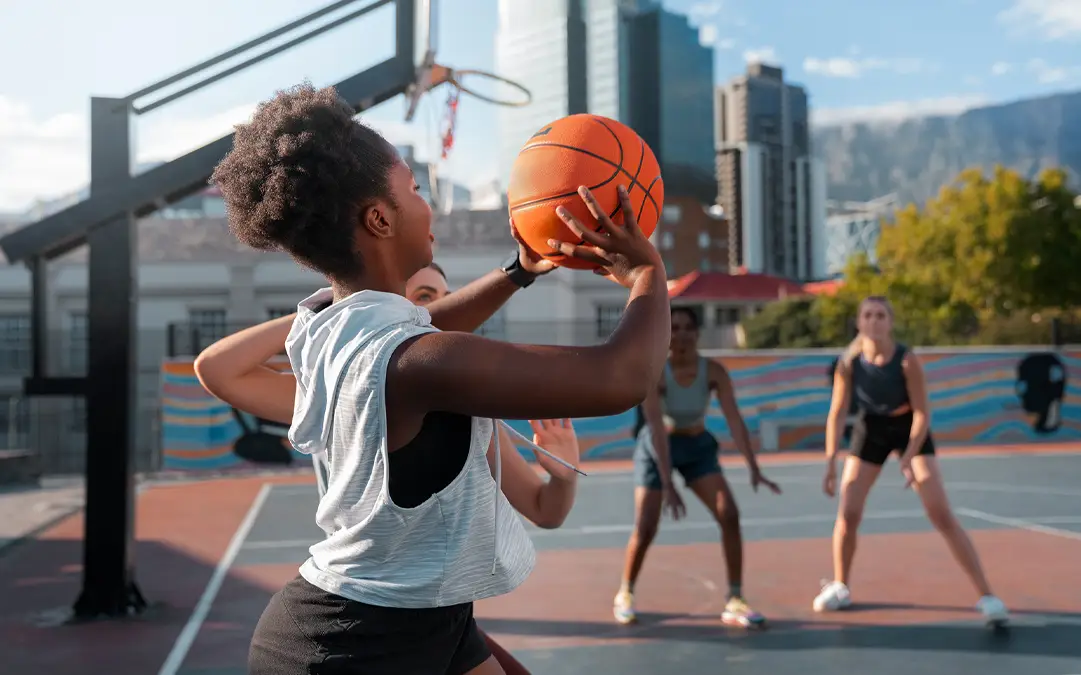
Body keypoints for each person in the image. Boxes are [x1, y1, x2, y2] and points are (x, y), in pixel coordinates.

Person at [208, 82, 672, 675]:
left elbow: (421, 322)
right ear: (379, 217)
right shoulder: (416, 362)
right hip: (355, 648)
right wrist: (647, 274)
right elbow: (621, 378)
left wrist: (520, 270)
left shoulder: (328, 332)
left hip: (415, 616)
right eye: (416, 190)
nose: (429, 206)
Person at [196, 260, 563, 675]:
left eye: (446, 299)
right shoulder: (340, 395)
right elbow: (217, 368)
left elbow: (546, 509)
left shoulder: (470, 411)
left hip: (436, 611)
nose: (438, 313)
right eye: (423, 299)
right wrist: (334, 313)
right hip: (357, 623)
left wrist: (562, 473)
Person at [814, 295, 1009, 626]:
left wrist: (908, 456)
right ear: (859, 323)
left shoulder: (906, 361)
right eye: (867, 316)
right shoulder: (847, 363)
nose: (874, 321)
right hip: (871, 428)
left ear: (890, 322)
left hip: (909, 429)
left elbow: (922, 414)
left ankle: (988, 596)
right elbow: (836, 413)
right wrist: (831, 461)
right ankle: (840, 585)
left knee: (940, 513)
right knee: (848, 512)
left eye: (880, 315)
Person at [614, 307, 781, 628]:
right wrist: (668, 483)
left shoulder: (714, 371)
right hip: (657, 448)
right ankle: (625, 592)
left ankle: (735, 598)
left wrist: (754, 467)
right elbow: (656, 429)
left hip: (697, 447)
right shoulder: (656, 372)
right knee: (647, 525)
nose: (681, 334)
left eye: (688, 327)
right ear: (665, 334)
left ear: (697, 333)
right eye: (674, 328)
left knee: (729, 514)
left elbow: (734, 419)